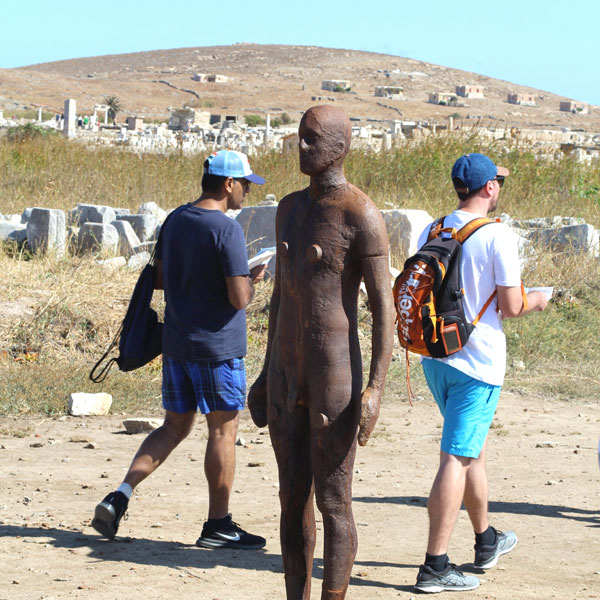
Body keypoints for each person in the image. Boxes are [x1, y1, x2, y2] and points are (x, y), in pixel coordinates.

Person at [248, 105, 395, 599]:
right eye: (300, 138)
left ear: (340, 146)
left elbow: (383, 309)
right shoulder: (287, 209)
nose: (302, 147)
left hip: (334, 377)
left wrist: (376, 387)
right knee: (292, 498)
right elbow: (281, 297)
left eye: (313, 140)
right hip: (288, 375)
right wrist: (267, 372)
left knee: (334, 501)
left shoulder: (360, 213)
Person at [92, 149, 268, 550]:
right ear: (228, 184)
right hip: (217, 348)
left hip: (175, 343)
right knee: (223, 430)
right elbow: (240, 299)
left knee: (173, 426)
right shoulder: (226, 230)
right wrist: (254, 277)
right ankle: (218, 524)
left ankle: (120, 493)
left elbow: (158, 279)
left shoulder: (175, 219)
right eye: (244, 184)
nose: (246, 191)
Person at [414, 153, 549, 593]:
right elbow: (511, 306)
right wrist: (539, 300)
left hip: (436, 358)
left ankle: (485, 539)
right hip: (478, 364)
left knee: (473, 449)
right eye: (499, 184)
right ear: (489, 188)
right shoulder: (497, 236)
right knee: (456, 456)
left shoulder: (433, 228)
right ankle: (435, 565)